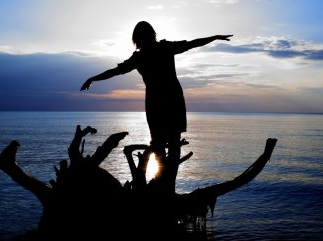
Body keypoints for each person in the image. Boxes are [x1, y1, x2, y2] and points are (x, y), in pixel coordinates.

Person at [81, 21, 232, 161]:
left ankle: (163, 182)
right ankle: (165, 182)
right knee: (170, 141)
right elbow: (192, 44)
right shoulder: (161, 49)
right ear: (152, 34)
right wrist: (215, 37)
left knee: (161, 141)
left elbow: (114, 71)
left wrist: (92, 79)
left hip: (158, 101)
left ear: (136, 39)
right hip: (171, 99)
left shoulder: (145, 55)